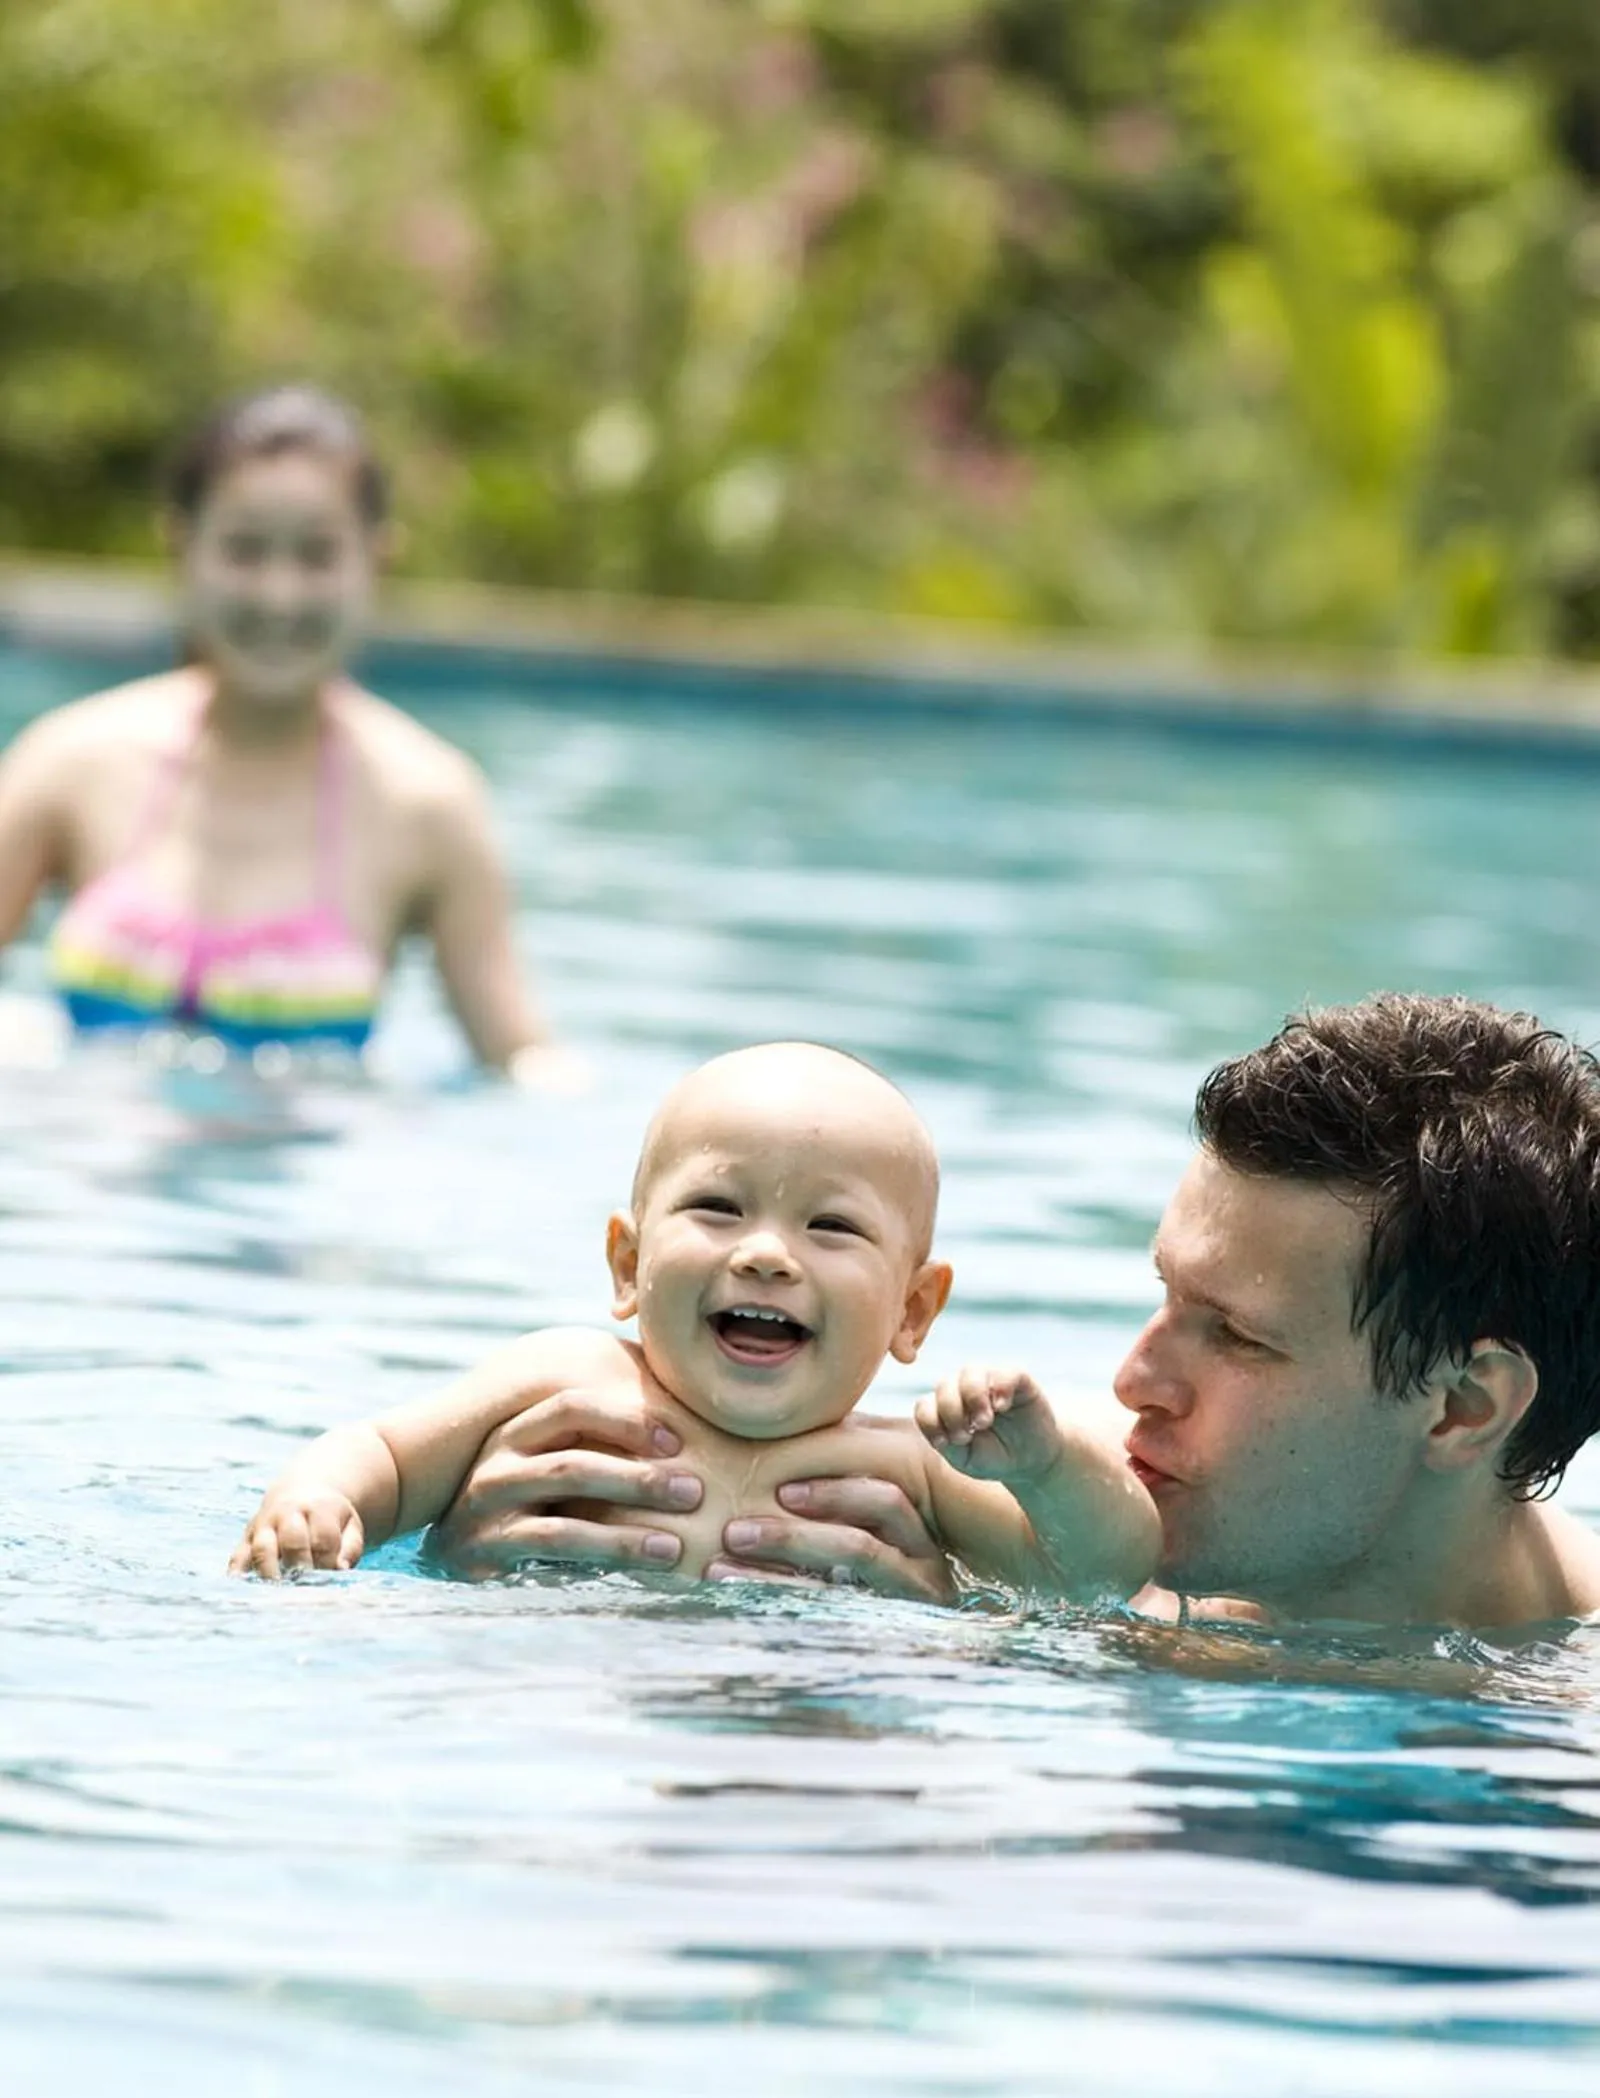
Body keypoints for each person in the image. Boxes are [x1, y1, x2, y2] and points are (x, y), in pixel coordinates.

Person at [431, 995, 1600, 1631]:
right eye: (1162, 1297)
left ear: (1459, 1405)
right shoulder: (1041, 1526)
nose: (1136, 1377)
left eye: (1236, 1335)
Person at [230, 1041, 1157, 1595]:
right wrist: (318, 1501)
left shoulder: (913, 1465)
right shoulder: (568, 1377)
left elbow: (1097, 1578)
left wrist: (1048, 1468)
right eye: (717, 1208)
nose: (765, 1253)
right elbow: (387, 1454)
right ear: (628, 1265)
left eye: (830, 1226)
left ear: (913, 1312)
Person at [0, 384, 566, 1077]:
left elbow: (520, 1062)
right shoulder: (70, 761)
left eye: (317, 556)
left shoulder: (428, 803)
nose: (279, 595)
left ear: (376, 561)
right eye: (244, 551)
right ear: (183, 547)